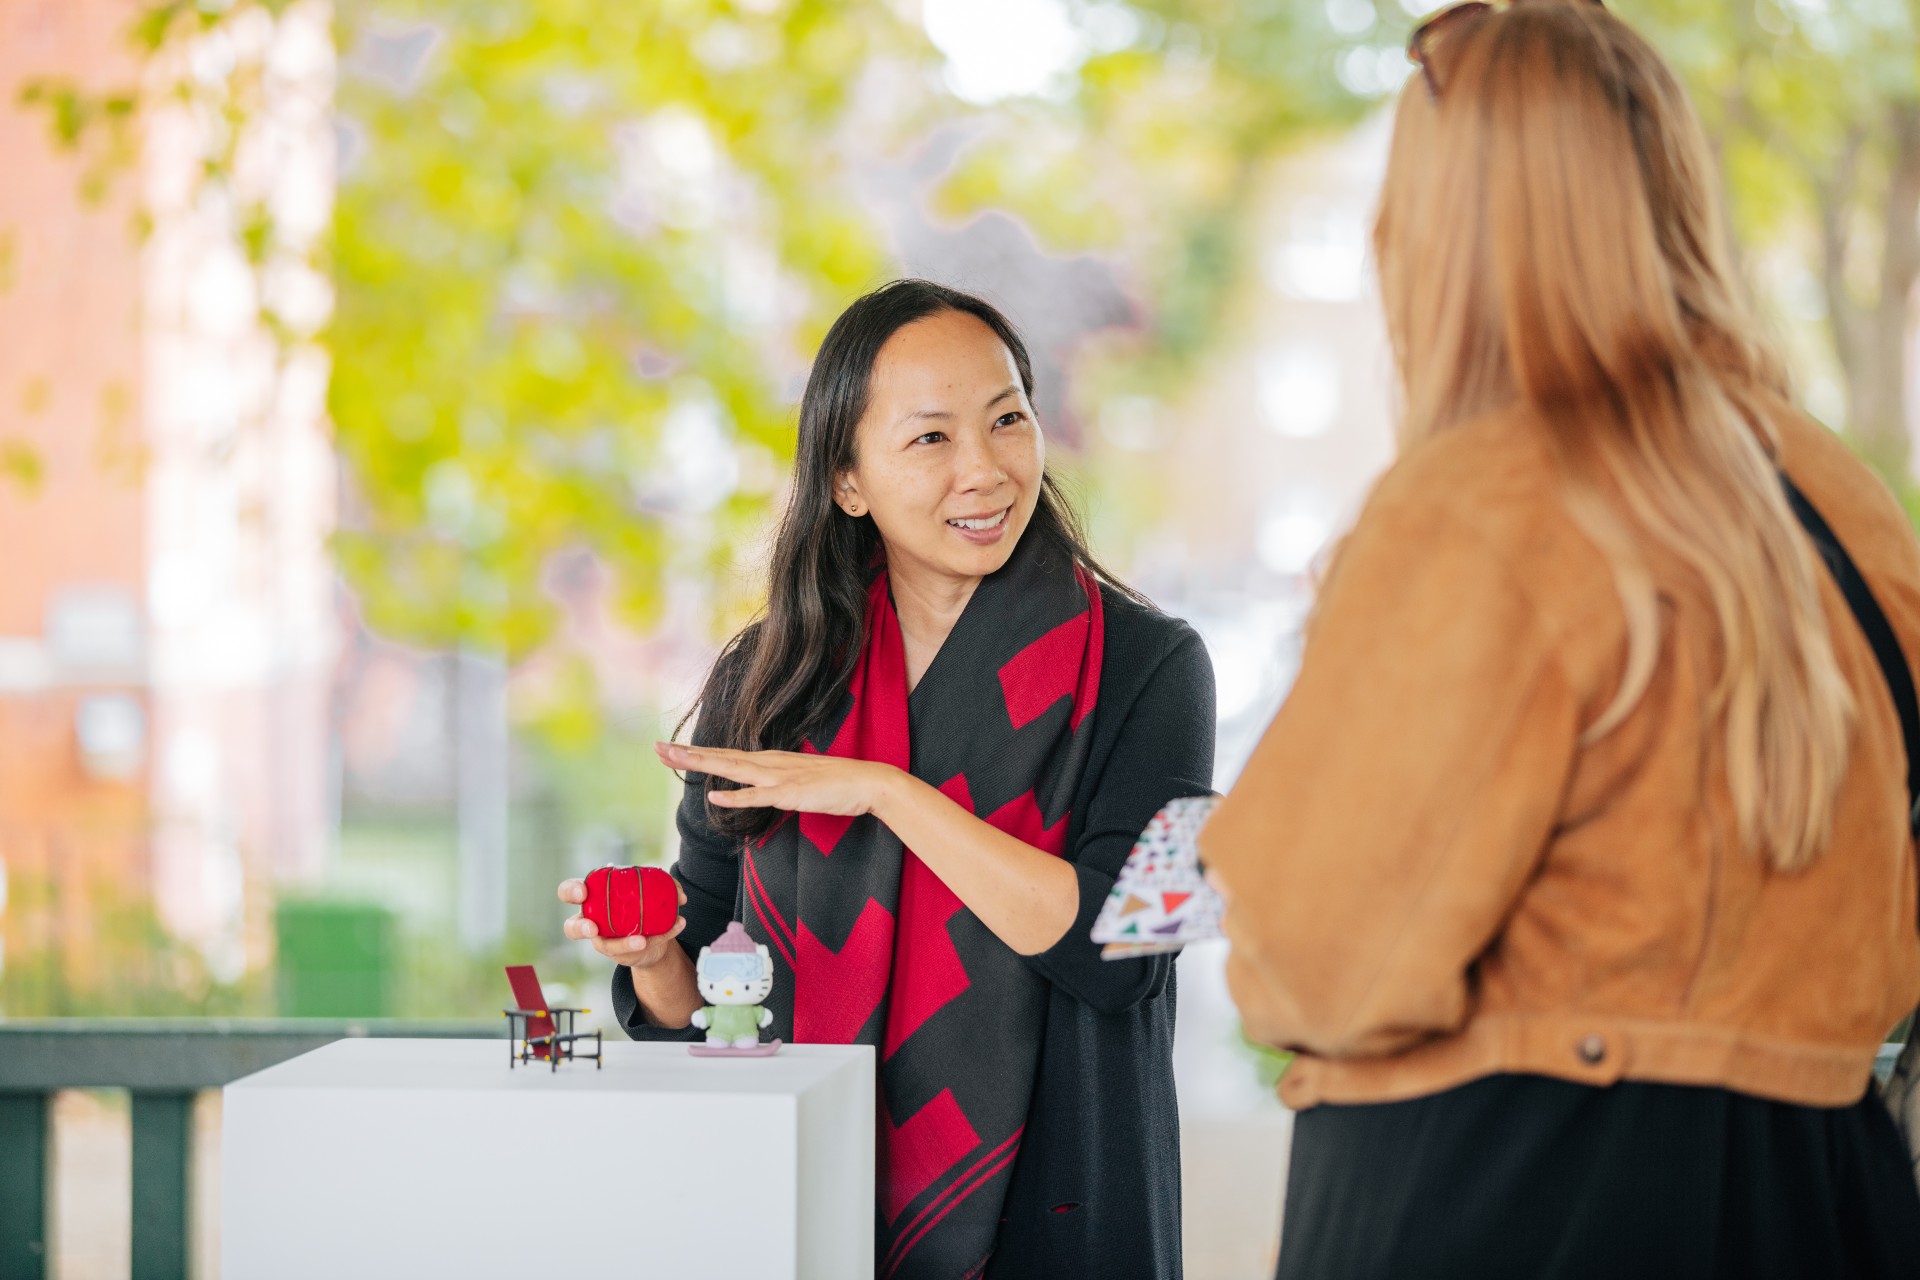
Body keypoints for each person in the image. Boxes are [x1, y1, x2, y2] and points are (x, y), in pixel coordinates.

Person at [1200, 3, 1920, 1277]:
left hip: (1516, 1194)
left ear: (1440, 229)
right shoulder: (1842, 499)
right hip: (1829, 1190)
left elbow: (1319, 956)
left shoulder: (1490, 497)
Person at [559, 280, 1214, 1279]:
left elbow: (1123, 953)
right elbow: (701, 997)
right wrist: (652, 955)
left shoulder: (1154, 667)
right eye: (931, 438)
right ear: (848, 481)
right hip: (802, 1217)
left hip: (1061, 1227)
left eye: (1007, 419)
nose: (985, 469)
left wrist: (889, 792)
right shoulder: (770, 676)